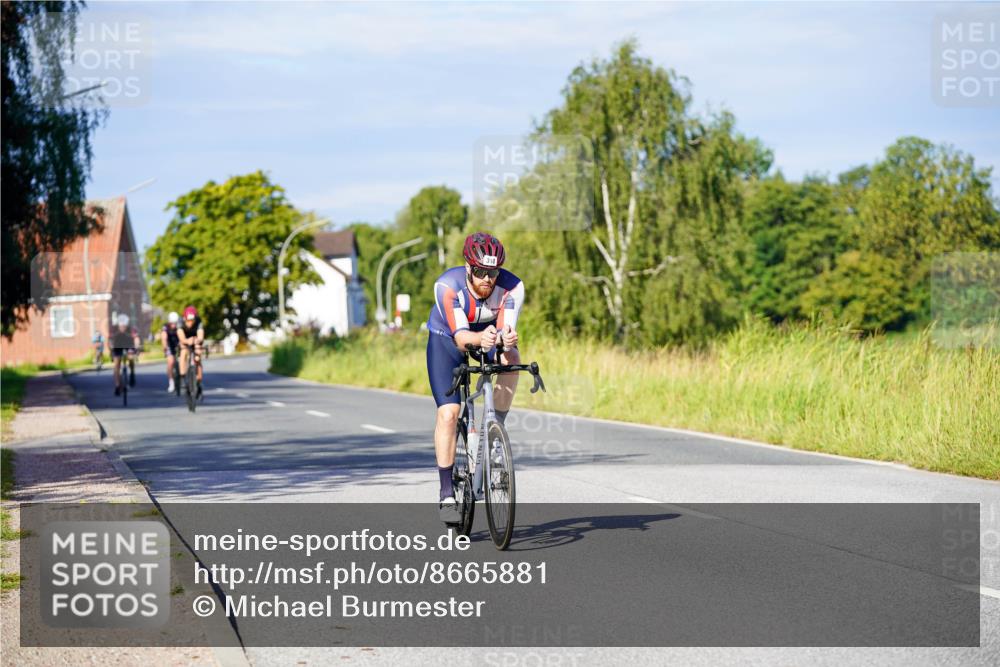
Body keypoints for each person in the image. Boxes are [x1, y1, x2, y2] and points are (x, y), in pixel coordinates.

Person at [426, 232, 523, 523]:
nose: (487, 279)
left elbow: (505, 331)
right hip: (447, 339)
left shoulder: (512, 287)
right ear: (468, 267)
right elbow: (461, 338)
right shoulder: (447, 286)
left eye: (493, 273)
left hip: (487, 336)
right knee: (449, 413)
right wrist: (481, 338)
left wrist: (506, 340)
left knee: (512, 359)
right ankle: (446, 492)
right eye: (480, 272)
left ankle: (495, 434)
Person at [178, 306, 205, 399]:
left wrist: (198, 341)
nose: (190, 322)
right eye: (188, 320)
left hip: (195, 337)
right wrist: (186, 341)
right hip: (185, 338)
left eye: (192, 320)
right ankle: (182, 377)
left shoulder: (198, 321)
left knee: (198, 355)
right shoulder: (180, 322)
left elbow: (200, 335)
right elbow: (181, 337)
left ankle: (198, 381)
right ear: (185, 318)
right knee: (183, 351)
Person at [109, 313, 140, 396]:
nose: (123, 328)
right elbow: (110, 341)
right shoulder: (114, 329)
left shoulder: (131, 329)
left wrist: (137, 348)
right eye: (121, 326)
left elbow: (136, 339)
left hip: (128, 345)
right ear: (118, 325)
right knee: (116, 365)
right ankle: (117, 385)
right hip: (117, 346)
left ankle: (132, 372)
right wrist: (111, 350)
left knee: (131, 358)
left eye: (124, 326)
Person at [161, 311, 181, 393]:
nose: (174, 325)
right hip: (169, 345)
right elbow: (164, 338)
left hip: (178, 343)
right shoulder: (165, 327)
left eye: (175, 323)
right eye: (172, 323)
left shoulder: (180, 326)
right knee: (170, 362)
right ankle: (171, 382)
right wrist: (165, 347)